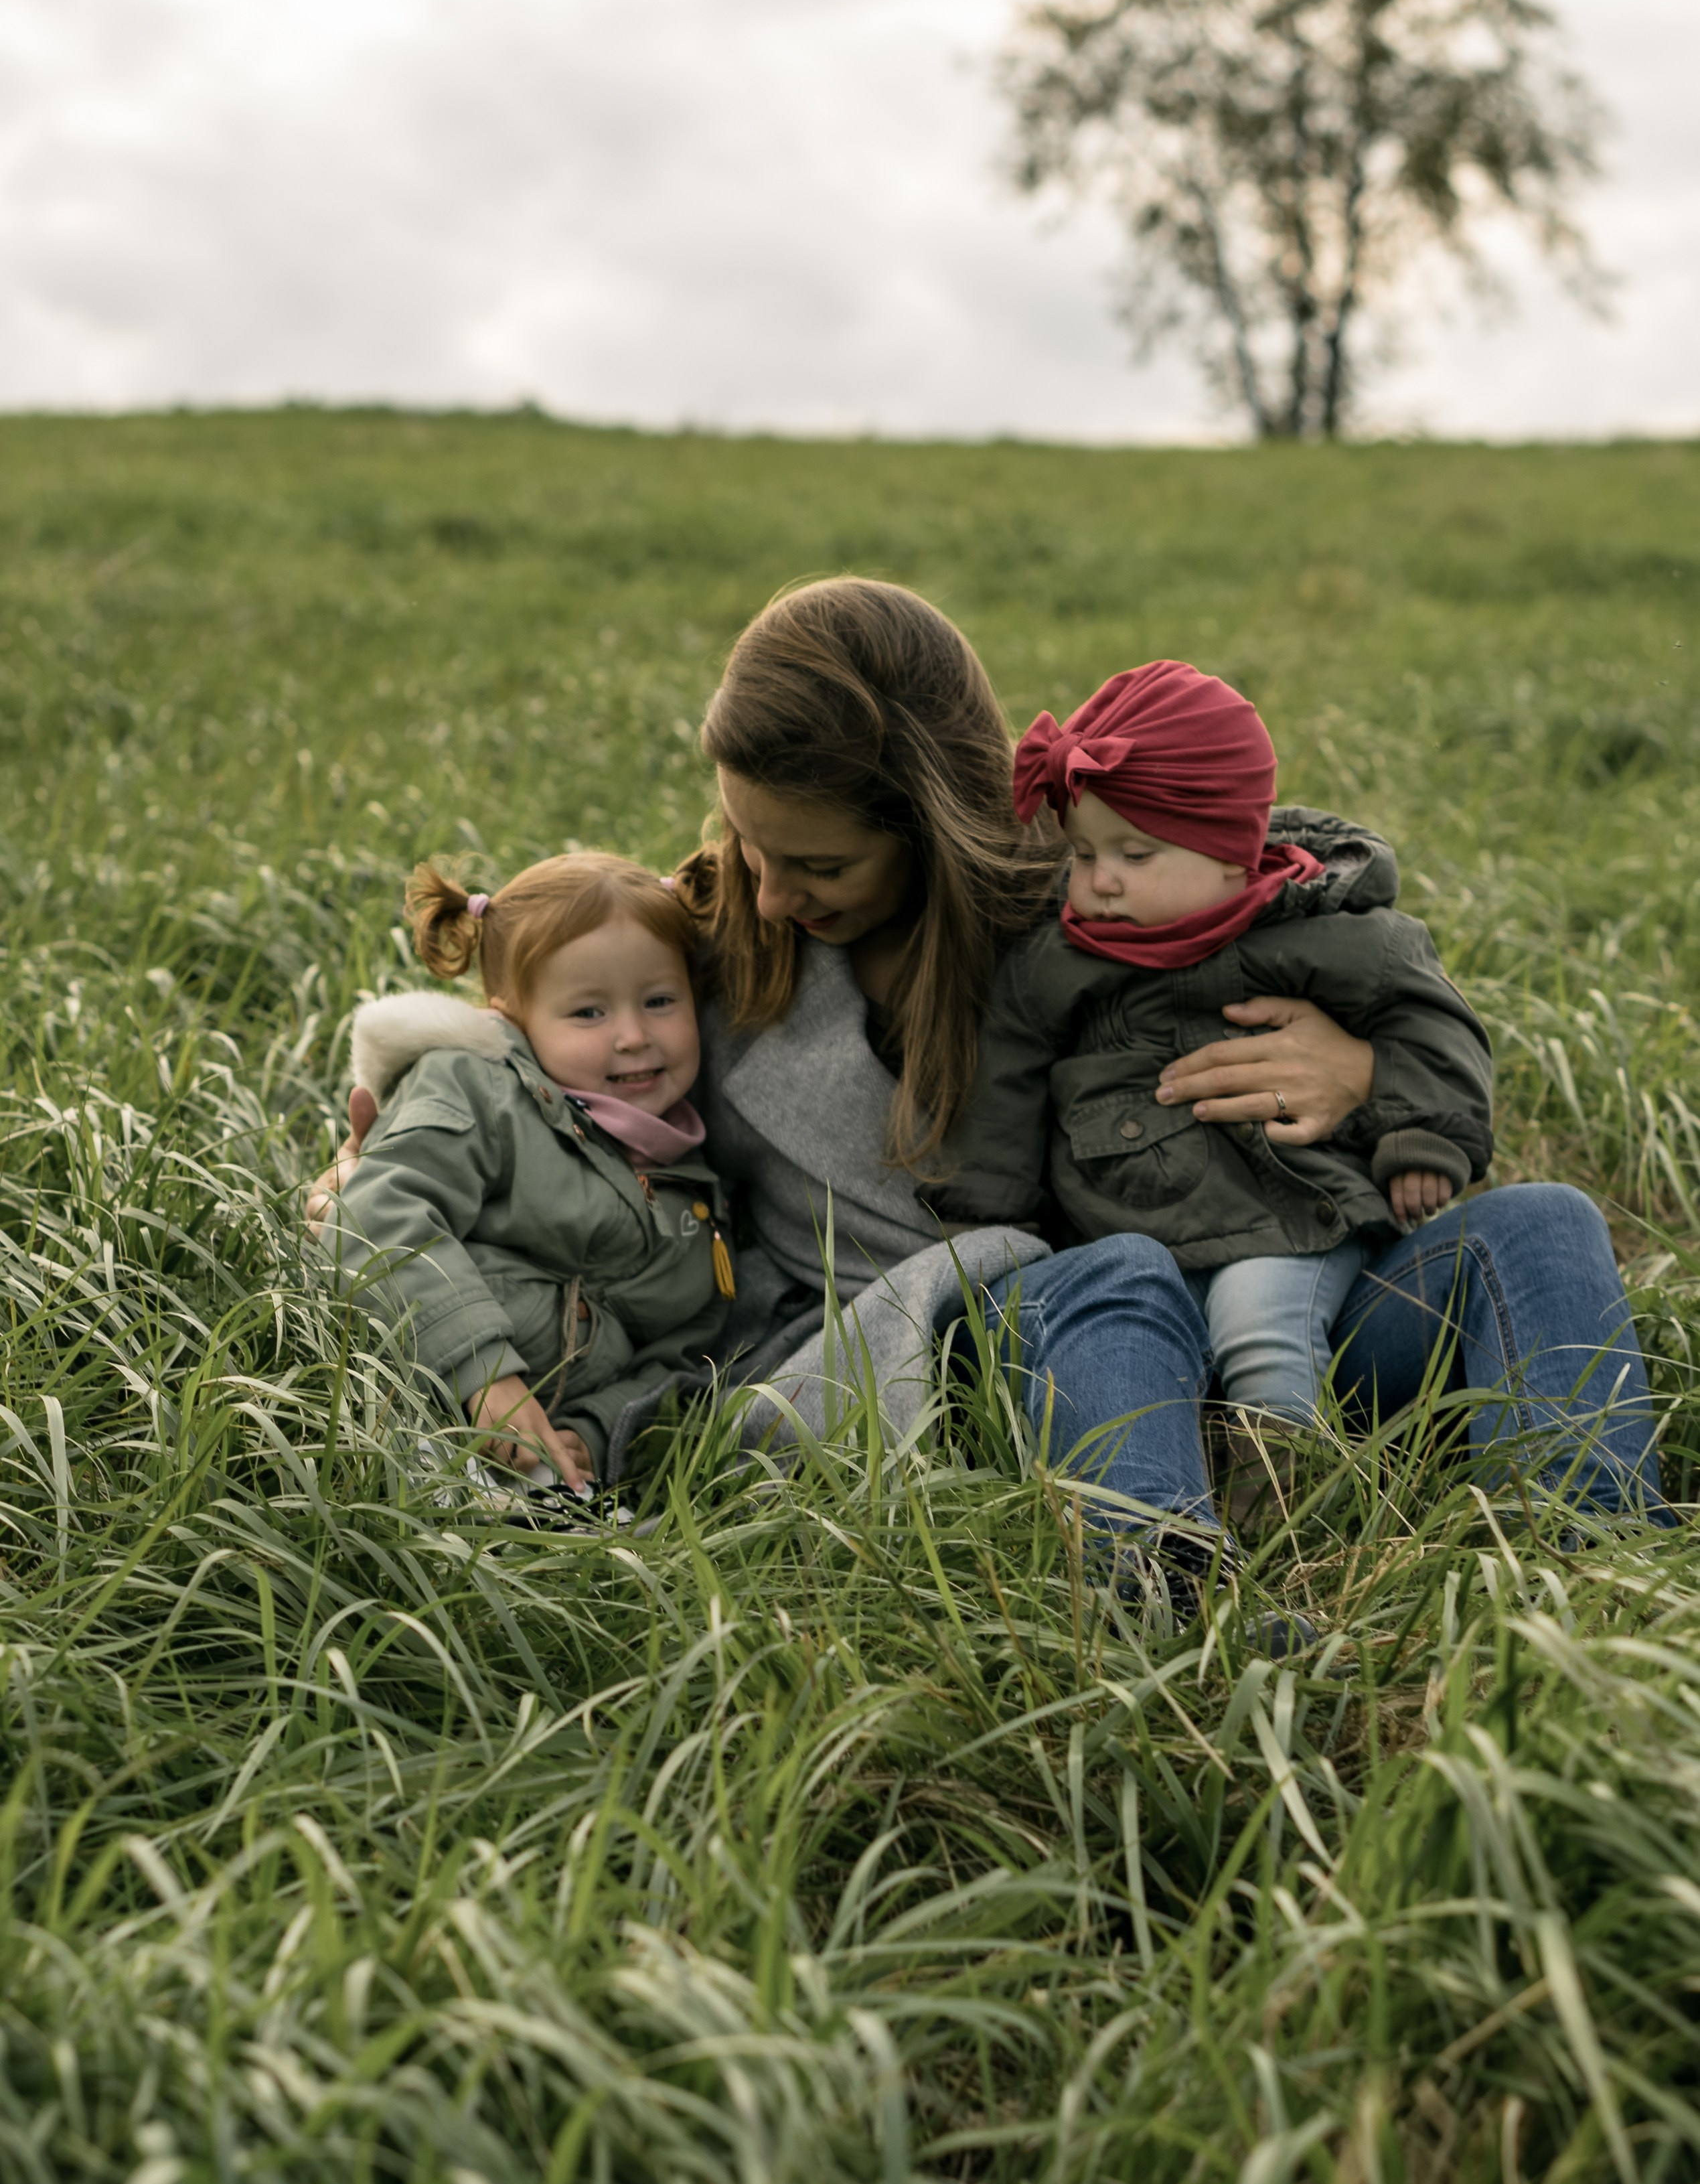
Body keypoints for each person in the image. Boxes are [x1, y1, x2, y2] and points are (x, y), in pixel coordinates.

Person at [311, 579, 1669, 1609]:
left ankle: (1586, 1596)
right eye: (749, 842)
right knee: (1113, 1272)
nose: (770, 888)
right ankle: (1169, 1613)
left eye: (818, 864)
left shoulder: (1097, 895)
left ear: (934, 821)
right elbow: (549, 1003)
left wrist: (1366, 1072)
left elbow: (1300, 889)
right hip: (1015, 1353)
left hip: (1282, 1324)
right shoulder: (725, 943)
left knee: (1542, 1224)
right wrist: (382, 1131)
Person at [921, 661, 1495, 1436]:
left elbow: (1433, 1026)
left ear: (1231, 851)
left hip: (1288, 1219)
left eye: (1135, 854)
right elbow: (1003, 1095)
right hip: (1126, 1238)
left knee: (1261, 1325)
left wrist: (1421, 1134)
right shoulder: (1053, 964)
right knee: (1132, 1346)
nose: (1102, 883)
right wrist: (982, 1227)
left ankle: (1280, 1472)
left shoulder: (1333, 937)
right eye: (1085, 855)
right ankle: (1174, 1495)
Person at [319, 851, 735, 1496]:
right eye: (588, 1013)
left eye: (659, 1000)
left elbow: (686, 1353)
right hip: (407, 1386)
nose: (632, 1035)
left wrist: (599, 1430)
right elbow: (380, 1209)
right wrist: (482, 1371)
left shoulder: (693, 1179)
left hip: (543, 1458)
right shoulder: (477, 1088)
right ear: (513, 1017)